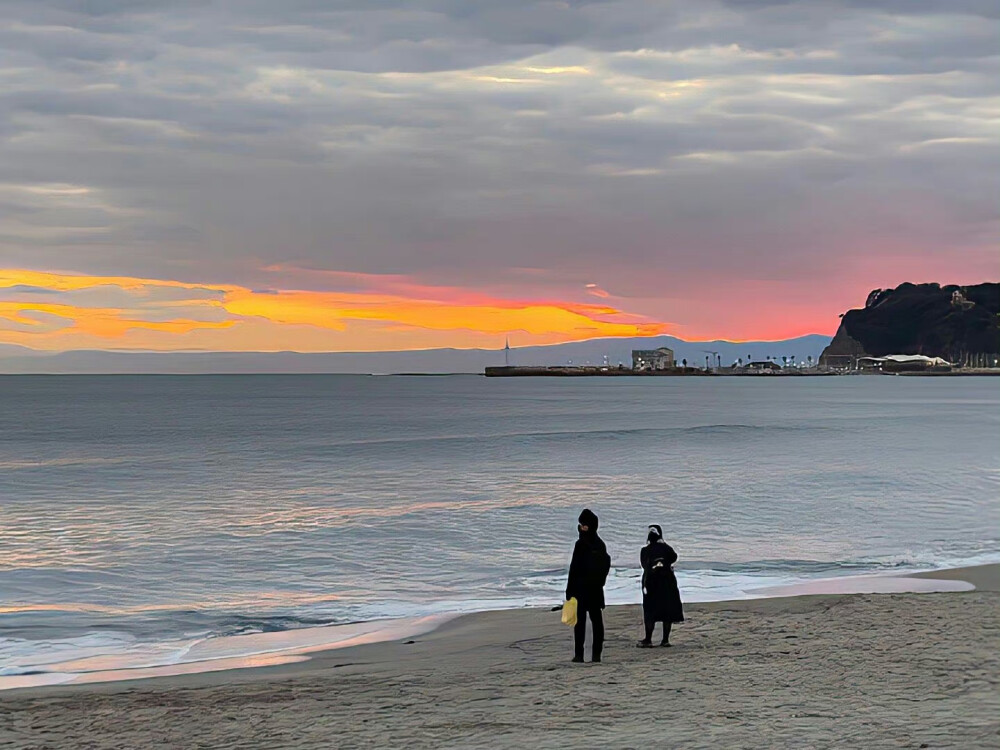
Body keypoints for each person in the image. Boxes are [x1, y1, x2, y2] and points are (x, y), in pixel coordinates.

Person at [566, 508, 611, 663]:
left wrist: (569, 590)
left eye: (583, 525)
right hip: (593, 589)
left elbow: (574, 569)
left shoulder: (582, 544)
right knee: (593, 622)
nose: (581, 528)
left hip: (583, 590)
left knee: (585, 623)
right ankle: (591, 655)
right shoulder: (600, 544)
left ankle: (584, 655)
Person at [637, 524, 684, 648]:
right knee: (667, 610)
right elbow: (674, 557)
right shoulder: (667, 549)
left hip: (651, 582)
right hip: (667, 581)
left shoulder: (645, 550)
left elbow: (644, 564)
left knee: (650, 611)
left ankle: (648, 640)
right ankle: (665, 640)